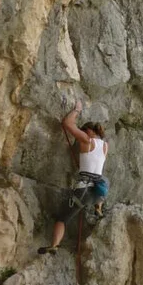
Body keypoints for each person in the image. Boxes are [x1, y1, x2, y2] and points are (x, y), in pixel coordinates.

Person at [38, 101, 109, 255]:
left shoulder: (87, 140)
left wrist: (77, 110)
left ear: (88, 131)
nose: (80, 137)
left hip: (83, 190)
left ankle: (54, 245)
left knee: (62, 219)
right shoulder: (105, 146)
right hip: (97, 191)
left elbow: (67, 123)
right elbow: (92, 163)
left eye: (83, 132)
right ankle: (98, 207)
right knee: (102, 181)